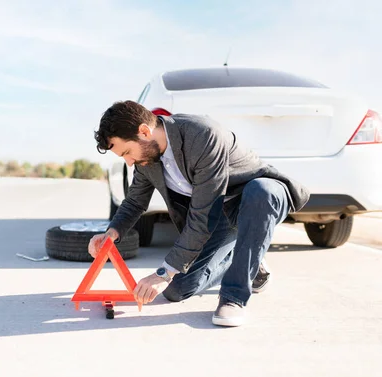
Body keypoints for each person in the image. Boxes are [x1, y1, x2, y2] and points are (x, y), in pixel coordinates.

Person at [88, 100, 310, 327]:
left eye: (127, 152)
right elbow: (135, 202)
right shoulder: (146, 157)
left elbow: (203, 215)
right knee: (176, 290)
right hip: (221, 215)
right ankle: (252, 261)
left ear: (144, 131)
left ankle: (234, 298)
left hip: (257, 201)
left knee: (260, 191)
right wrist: (111, 233)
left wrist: (164, 272)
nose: (129, 162)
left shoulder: (203, 135)